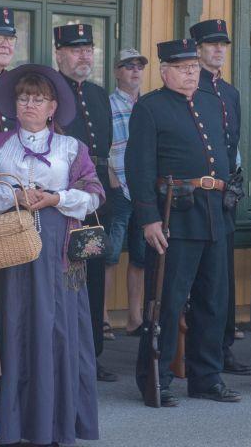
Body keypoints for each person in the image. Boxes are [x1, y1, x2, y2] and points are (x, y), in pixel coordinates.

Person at [0, 64, 104, 444]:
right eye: (24, 98)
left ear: (53, 107)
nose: (30, 105)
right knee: (13, 326)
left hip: (59, 253)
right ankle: (10, 426)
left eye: (38, 99)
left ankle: (53, 425)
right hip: (9, 248)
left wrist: (56, 197)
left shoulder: (73, 148)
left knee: (56, 332)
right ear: (14, 104)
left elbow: (96, 194)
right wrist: (13, 196)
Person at [128, 39, 239, 407]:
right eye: (182, 68)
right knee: (167, 301)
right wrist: (148, 219)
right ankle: (154, 380)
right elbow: (139, 168)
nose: (191, 73)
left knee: (213, 300)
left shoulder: (210, 102)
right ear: (165, 71)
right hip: (175, 214)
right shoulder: (150, 108)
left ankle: (206, 377)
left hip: (214, 212)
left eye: (194, 67)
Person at [54, 22, 116, 382]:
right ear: (60, 54)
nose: (84, 56)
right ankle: (66, 353)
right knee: (65, 277)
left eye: (89, 50)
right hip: (62, 201)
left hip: (95, 202)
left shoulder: (97, 94)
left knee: (93, 275)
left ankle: (92, 352)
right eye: (76, 50)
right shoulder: (52, 92)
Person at [190, 18, 251, 376]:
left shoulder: (230, 93)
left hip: (226, 193)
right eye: (211, 44)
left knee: (223, 278)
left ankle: (223, 346)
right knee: (202, 282)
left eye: (223, 45)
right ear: (197, 48)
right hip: (197, 195)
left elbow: (232, 144)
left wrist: (236, 179)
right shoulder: (190, 87)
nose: (218, 50)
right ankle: (201, 350)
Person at [105, 48, 149, 336]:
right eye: (128, 66)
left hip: (144, 187)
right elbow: (99, 145)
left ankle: (135, 318)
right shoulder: (107, 104)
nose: (134, 71)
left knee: (140, 257)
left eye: (139, 66)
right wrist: (109, 175)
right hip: (118, 185)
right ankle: (104, 316)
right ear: (117, 72)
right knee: (109, 255)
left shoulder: (149, 106)